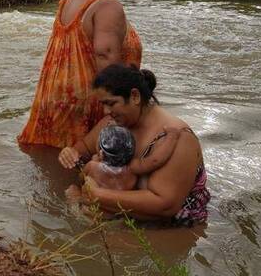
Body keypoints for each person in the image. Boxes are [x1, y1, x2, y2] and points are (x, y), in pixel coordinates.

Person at [18, 0, 142, 148]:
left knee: (55, 161)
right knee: (84, 160)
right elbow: (106, 54)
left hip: (54, 93)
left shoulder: (68, 0)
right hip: (88, 97)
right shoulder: (106, 4)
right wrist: (118, 99)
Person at [59, 64, 211, 225]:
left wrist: (98, 195)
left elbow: (165, 206)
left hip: (172, 229)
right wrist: (70, 153)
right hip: (123, 219)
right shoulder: (113, 123)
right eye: (103, 104)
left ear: (135, 96)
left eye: (111, 103)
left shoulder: (177, 138)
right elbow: (83, 149)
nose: (105, 111)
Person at [67, 124, 179, 194]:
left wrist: (92, 162)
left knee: (73, 189)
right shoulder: (132, 168)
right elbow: (155, 160)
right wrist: (172, 137)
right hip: (115, 212)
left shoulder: (92, 166)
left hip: (92, 210)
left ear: (101, 153)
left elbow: (81, 179)